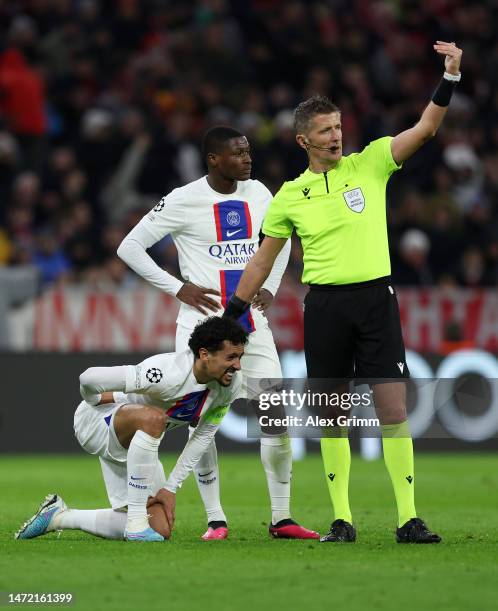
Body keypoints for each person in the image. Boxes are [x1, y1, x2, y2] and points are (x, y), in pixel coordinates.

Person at [224, 41, 464, 544]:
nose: (336, 137)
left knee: (393, 409)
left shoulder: (371, 161)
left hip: (376, 298)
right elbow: (263, 259)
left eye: (337, 127)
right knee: (331, 413)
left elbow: (426, 128)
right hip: (326, 305)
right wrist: (234, 313)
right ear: (302, 141)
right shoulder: (290, 195)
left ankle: (408, 519)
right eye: (325, 131)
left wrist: (449, 78)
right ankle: (342, 520)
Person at [117, 126, 318, 540]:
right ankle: (216, 519)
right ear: (214, 159)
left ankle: (281, 517)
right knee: (200, 421)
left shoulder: (260, 193)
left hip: (251, 326)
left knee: (275, 415)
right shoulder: (183, 199)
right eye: (239, 153)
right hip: (201, 329)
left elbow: (278, 240)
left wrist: (271, 287)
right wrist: (178, 288)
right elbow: (129, 247)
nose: (248, 159)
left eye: (248, 152)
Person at [15, 317, 247, 542]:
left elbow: (203, 436)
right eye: (231, 357)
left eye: (240, 357)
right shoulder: (166, 372)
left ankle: (59, 517)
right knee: (154, 419)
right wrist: (94, 400)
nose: (237, 365)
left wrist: (169, 488)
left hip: (139, 445)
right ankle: (136, 523)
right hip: (97, 422)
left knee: (160, 528)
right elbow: (87, 378)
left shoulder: (229, 386)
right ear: (205, 354)